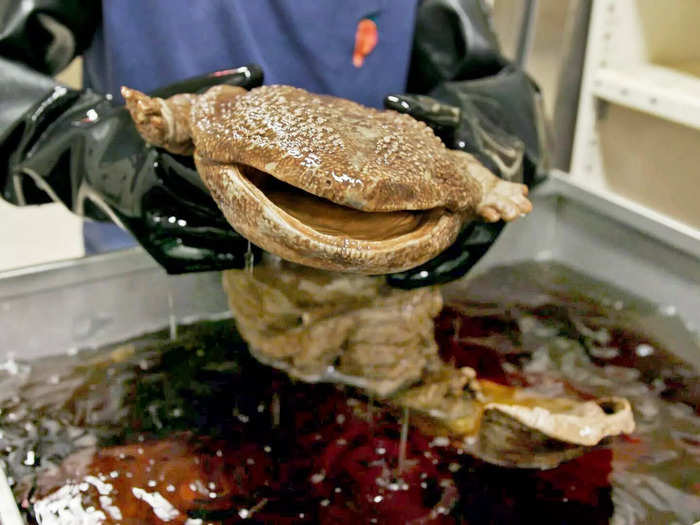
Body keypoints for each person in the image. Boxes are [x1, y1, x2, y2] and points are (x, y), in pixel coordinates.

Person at [0, 0, 547, 286]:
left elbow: (489, 82)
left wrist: (477, 149)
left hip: (366, 281)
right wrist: (101, 153)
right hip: (151, 264)